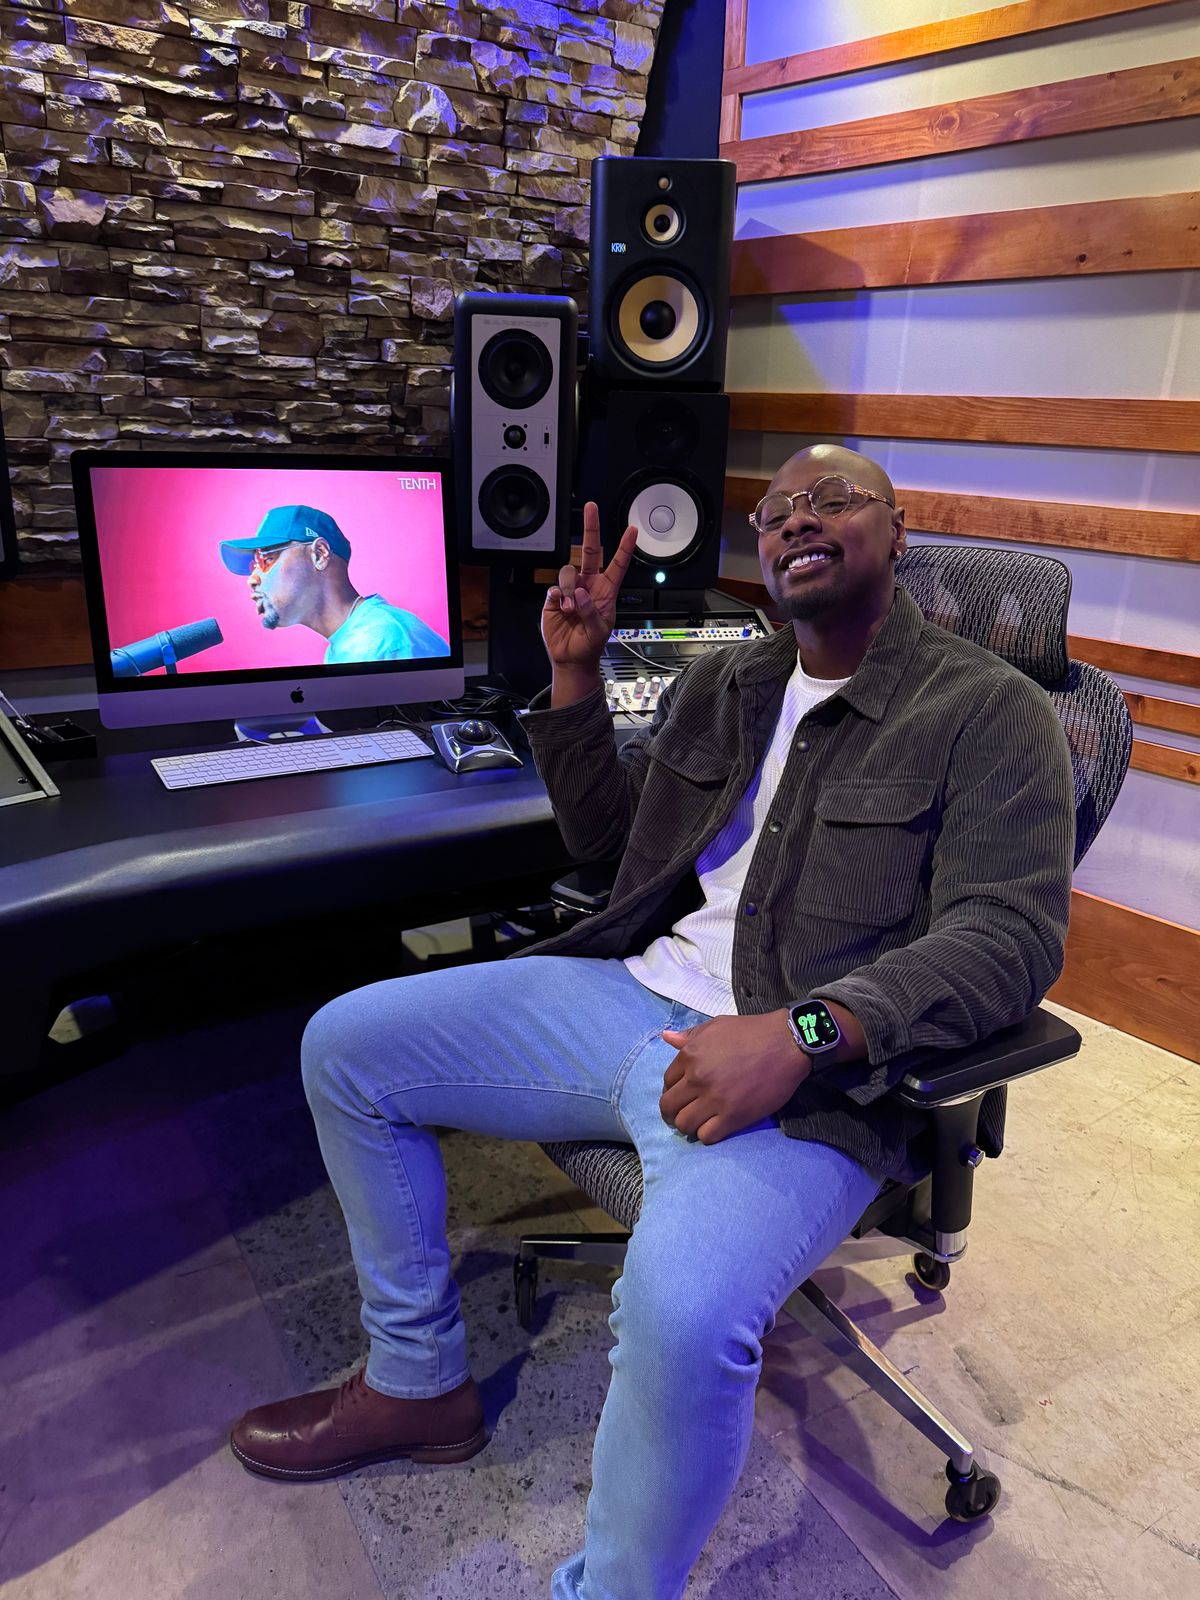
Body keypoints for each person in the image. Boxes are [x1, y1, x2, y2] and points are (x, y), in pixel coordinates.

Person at [229, 444, 1076, 1600]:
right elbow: (610, 843)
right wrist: (574, 676)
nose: (796, 519)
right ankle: (417, 1382)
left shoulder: (990, 711)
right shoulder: (728, 681)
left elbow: (1008, 940)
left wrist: (801, 1033)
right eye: (775, 511)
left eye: (832, 499)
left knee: (682, 1317)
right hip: (629, 993)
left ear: (899, 529)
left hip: (806, 1079)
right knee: (345, 1047)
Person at [219, 504, 448, 663]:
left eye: (266, 559)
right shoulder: (349, 643)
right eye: (253, 566)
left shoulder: (383, 643)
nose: (252, 580)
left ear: (319, 554)